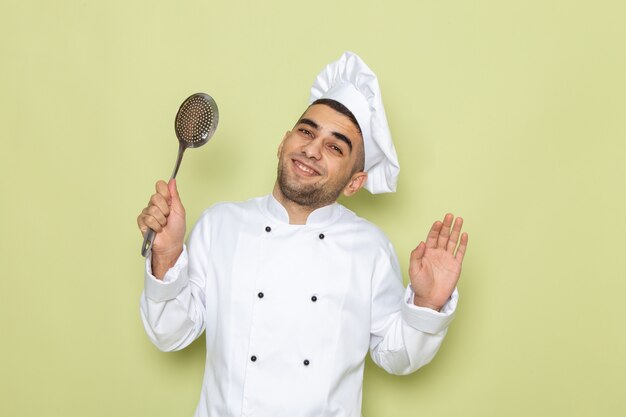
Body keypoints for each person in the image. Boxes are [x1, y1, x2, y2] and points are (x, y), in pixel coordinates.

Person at [137, 51, 468, 417]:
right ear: (284, 142)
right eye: (307, 131)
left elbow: (397, 356)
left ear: (355, 182)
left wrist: (427, 305)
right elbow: (170, 334)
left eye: (334, 147)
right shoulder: (220, 225)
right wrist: (166, 258)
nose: (311, 149)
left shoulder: (370, 248)